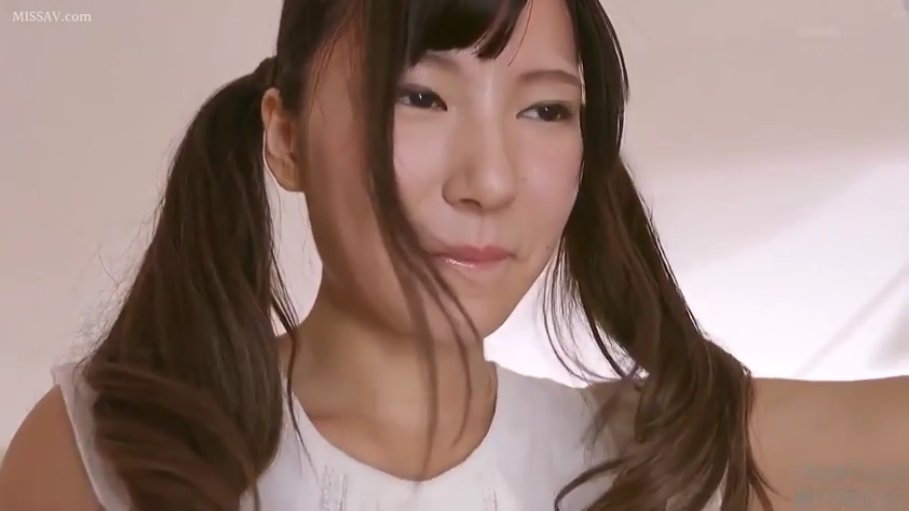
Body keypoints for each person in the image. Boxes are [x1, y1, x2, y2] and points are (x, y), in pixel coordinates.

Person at [1, 0, 907, 509]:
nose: (488, 180)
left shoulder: (658, 465)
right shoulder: (108, 449)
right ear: (284, 136)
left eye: (544, 109)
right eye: (420, 97)